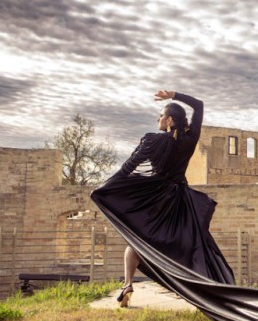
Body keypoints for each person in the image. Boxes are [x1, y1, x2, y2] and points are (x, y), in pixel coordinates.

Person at [91, 90, 235, 307]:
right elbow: (199, 104)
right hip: (179, 202)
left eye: (160, 115)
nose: (158, 119)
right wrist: (174, 95)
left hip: (156, 200)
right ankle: (198, 287)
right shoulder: (189, 139)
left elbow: (128, 168)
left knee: (137, 240)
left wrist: (105, 188)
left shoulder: (153, 141)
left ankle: (128, 284)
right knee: (191, 245)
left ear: (169, 120)